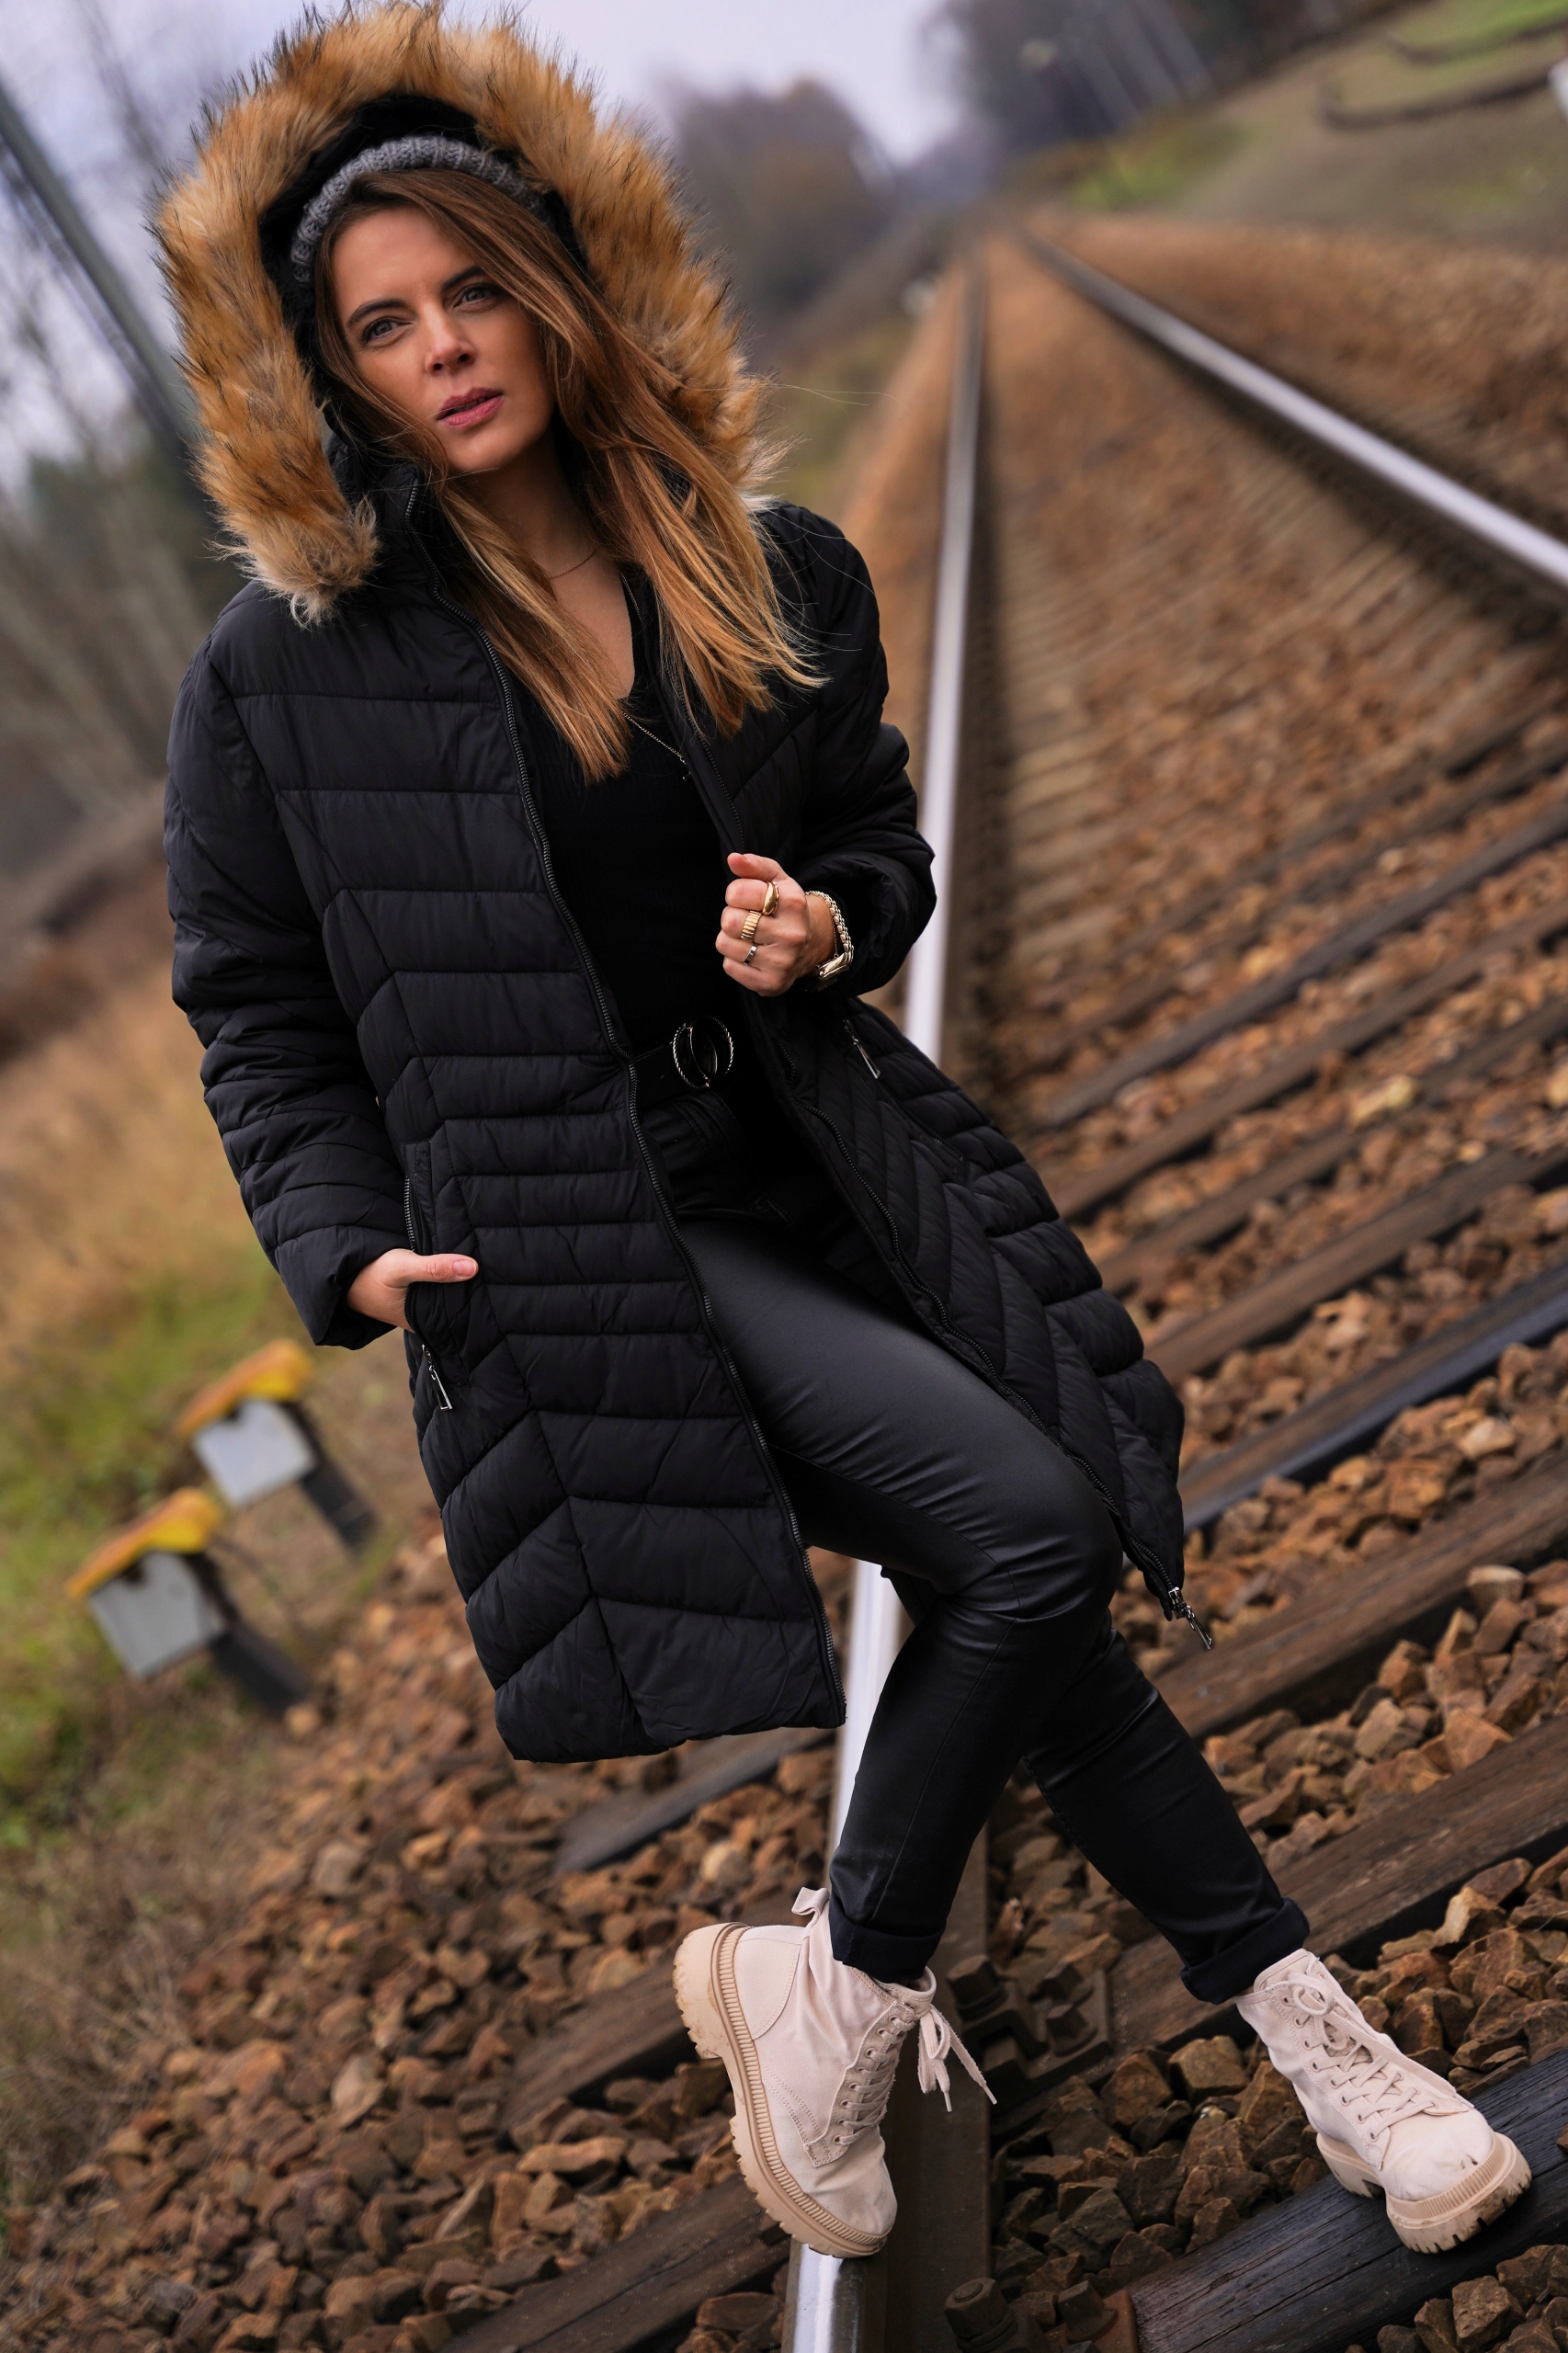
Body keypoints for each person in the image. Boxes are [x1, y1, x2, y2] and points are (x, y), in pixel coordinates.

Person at [160, 2, 1528, 2267]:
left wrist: (833, 921)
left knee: (1041, 1617)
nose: (444, 350)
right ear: (333, 379)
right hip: (581, 1239)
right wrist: (341, 1237)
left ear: (560, 287)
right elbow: (253, 1000)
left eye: (474, 289)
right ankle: (844, 1978)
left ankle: (1321, 2047)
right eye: (382, 327)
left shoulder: (761, 562)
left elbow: (875, 835)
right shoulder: (287, 675)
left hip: (811, 1158)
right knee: (1028, 1525)